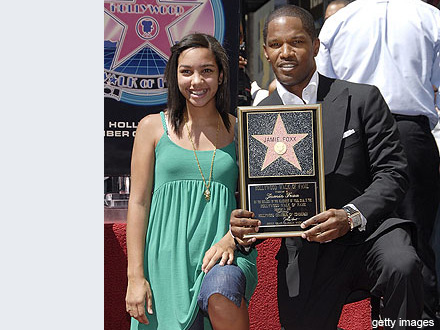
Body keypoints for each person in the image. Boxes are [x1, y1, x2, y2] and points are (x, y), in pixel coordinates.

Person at [230, 5, 424, 330]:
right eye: (276, 44)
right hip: (306, 249)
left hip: (370, 234)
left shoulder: (362, 98)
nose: (286, 52)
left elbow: (393, 173)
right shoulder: (257, 118)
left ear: (316, 45)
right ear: (265, 51)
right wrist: (246, 227)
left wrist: (350, 216)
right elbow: (259, 199)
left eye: (297, 41)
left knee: (402, 264)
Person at [316, 0, 440, 323]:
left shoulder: (339, 21)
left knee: (365, 232)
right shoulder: (430, 17)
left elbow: (323, 87)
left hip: (352, 131)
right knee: (416, 239)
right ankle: (418, 318)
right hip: (406, 131)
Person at [125, 33, 258, 330]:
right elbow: (138, 202)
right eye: (186, 71)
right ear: (175, 76)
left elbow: (259, 198)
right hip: (163, 260)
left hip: (223, 253)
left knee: (223, 289)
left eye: (206, 71)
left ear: (221, 76)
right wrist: (135, 276)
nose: (197, 81)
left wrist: (232, 238)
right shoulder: (151, 128)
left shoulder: (242, 129)